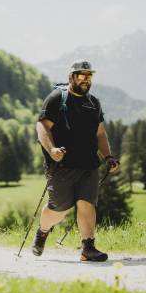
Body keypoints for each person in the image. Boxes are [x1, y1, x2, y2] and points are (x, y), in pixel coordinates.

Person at [33, 61, 120, 261]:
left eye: (89, 76)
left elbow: (100, 133)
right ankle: (43, 230)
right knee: (60, 209)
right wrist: (52, 149)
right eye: (81, 75)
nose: (85, 80)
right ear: (71, 77)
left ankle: (88, 247)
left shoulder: (93, 103)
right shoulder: (57, 98)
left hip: (89, 164)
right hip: (62, 165)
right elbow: (42, 127)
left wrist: (108, 156)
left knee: (86, 202)